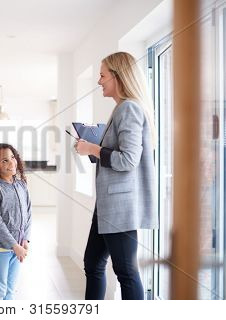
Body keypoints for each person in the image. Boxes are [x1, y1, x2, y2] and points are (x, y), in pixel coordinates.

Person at [75, 52, 157, 300]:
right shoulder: (122, 108)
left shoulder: (129, 109)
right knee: (92, 263)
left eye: (102, 75)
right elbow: (116, 154)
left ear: (118, 77)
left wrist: (92, 148)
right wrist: (92, 147)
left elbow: (127, 160)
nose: (99, 81)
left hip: (120, 207)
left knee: (126, 271)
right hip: (108, 205)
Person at [0, 144, 32, 300]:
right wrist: (14, 245)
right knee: (0, 289)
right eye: (4, 161)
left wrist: (25, 239)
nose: (11, 162)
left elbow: (28, 212)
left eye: (12, 157)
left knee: (11, 289)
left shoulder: (21, 185)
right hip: (1, 247)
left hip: (19, 244)